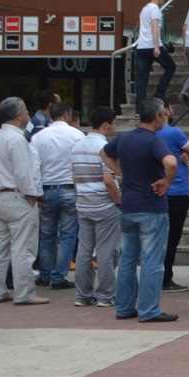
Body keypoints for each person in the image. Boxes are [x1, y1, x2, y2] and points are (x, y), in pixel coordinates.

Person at [101, 98, 180, 324]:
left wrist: (122, 171)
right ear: (157, 116)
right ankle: (149, 309)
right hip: (151, 207)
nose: (166, 116)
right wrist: (167, 181)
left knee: (127, 260)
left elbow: (104, 153)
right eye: (164, 113)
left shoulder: (124, 138)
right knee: (152, 261)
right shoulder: (154, 141)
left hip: (128, 206)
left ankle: (124, 306)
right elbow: (172, 163)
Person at [0, 97, 45, 307]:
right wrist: (32, 195)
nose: (28, 113)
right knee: (23, 247)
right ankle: (24, 293)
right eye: (26, 110)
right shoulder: (17, 139)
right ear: (19, 115)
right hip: (18, 195)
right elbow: (24, 172)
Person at [30, 100, 83, 292]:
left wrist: (37, 190)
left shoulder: (38, 137)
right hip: (69, 188)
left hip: (46, 189)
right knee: (68, 235)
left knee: (46, 235)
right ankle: (59, 276)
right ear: (67, 115)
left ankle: (44, 275)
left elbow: (34, 165)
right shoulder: (77, 135)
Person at [71, 107, 119, 310]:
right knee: (107, 252)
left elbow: (74, 177)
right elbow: (109, 180)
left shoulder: (77, 146)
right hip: (104, 203)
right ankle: (105, 295)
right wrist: (119, 201)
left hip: (83, 201)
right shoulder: (105, 148)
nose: (115, 126)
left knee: (84, 250)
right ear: (106, 124)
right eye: (114, 122)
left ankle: (82, 294)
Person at [156, 103, 189, 291]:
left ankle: (157, 276)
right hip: (177, 190)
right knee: (172, 237)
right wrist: (184, 155)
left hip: (157, 190)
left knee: (158, 237)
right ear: (165, 110)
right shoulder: (174, 133)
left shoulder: (149, 135)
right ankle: (165, 278)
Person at [133, 0, 172, 107]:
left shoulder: (145, 9)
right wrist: (156, 47)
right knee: (170, 66)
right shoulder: (155, 10)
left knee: (142, 78)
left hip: (142, 46)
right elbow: (155, 28)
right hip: (152, 45)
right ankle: (160, 93)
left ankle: (139, 106)